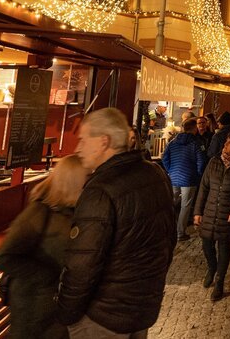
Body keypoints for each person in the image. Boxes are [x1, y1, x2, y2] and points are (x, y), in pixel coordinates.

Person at [57, 108, 175, 337]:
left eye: (83, 139)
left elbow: (82, 264)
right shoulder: (155, 174)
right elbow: (169, 241)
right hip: (142, 309)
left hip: (103, 316)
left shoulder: (100, 189)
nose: (78, 148)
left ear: (103, 141)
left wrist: (66, 314)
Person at [0, 155, 89, 339]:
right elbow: (6, 256)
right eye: (87, 177)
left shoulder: (75, 211)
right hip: (33, 308)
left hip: (58, 308)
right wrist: (47, 277)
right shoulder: (39, 212)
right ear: (73, 181)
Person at [194, 131, 230, 301]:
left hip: (227, 213)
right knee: (206, 245)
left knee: (224, 247)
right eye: (226, 141)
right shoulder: (214, 162)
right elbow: (204, 187)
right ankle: (211, 268)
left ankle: (219, 281)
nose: (226, 144)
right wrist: (198, 211)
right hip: (210, 210)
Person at [161, 118, 208, 241]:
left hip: (174, 176)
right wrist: (198, 173)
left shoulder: (173, 142)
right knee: (185, 206)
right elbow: (201, 161)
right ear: (194, 128)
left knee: (171, 203)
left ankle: (165, 229)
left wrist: (170, 170)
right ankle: (180, 233)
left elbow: (164, 158)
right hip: (189, 177)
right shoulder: (196, 143)